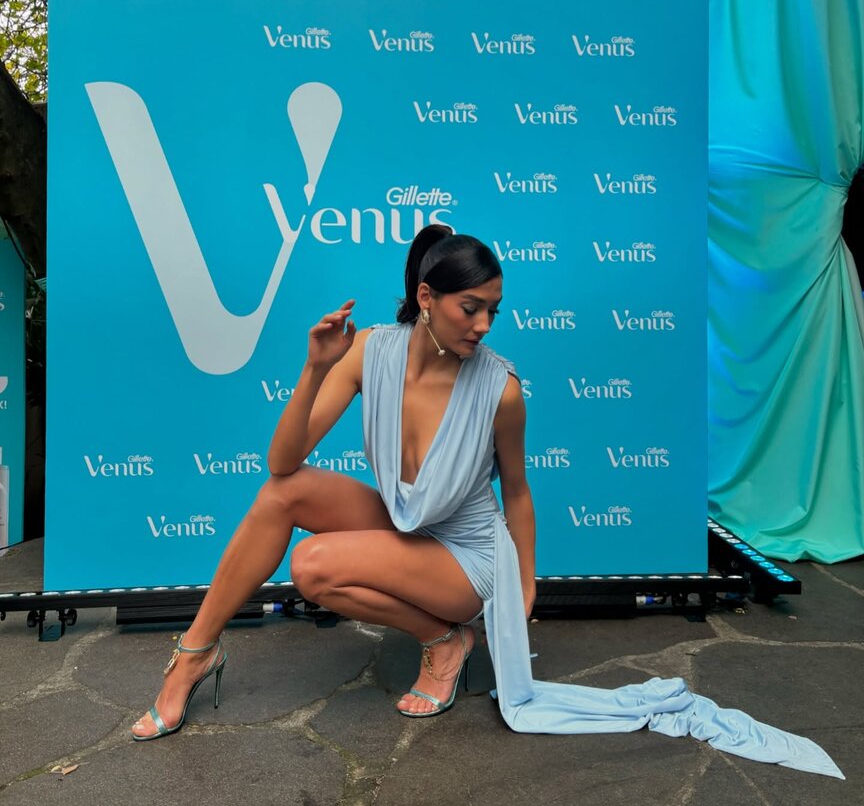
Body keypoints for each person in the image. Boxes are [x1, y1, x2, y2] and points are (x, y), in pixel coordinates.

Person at [130, 226, 843, 780]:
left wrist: (523, 582)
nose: (483, 325)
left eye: (493, 311)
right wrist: (315, 368)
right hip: (409, 526)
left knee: (313, 566)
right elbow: (282, 463)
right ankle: (195, 653)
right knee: (283, 493)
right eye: (470, 308)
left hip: (466, 557)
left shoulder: (500, 389)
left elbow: (518, 493)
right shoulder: (370, 350)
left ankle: (445, 639)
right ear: (426, 297)